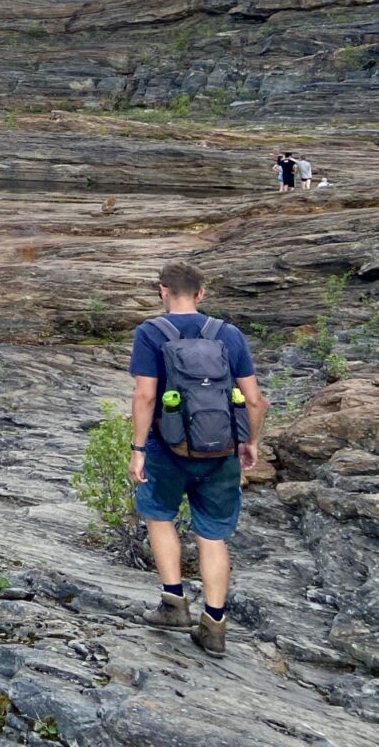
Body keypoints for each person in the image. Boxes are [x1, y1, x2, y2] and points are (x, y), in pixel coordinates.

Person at [129, 261, 268, 657]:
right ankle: (214, 626)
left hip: (166, 448)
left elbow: (145, 396)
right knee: (212, 535)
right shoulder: (229, 335)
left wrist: (138, 449)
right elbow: (255, 400)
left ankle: (174, 604)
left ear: (162, 291)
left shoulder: (150, 333)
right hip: (222, 448)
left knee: (159, 516)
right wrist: (249, 441)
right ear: (201, 293)